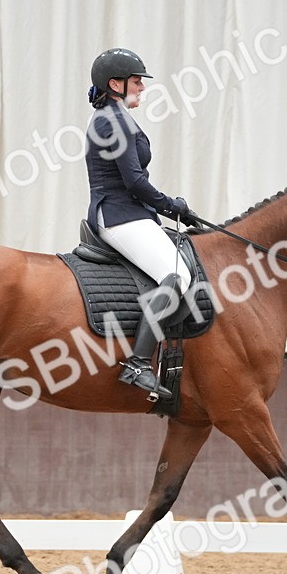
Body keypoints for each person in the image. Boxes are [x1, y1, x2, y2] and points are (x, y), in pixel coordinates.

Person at [85, 48, 196, 402]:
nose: (142, 88)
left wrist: (170, 209)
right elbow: (134, 181)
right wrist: (171, 205)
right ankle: (137, 363)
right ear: (115, 84)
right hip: (119, 215)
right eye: (136, 82)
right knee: (177, 276)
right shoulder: (112, 121)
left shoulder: (115, 117)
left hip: (130, 213)